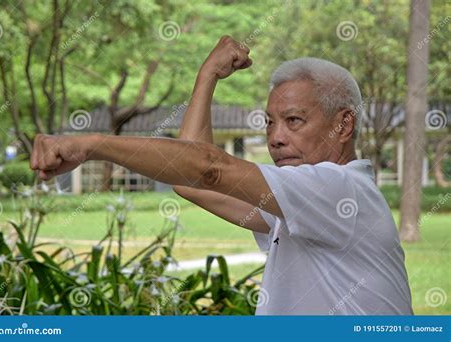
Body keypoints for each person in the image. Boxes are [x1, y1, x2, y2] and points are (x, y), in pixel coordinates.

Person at [30, 36, 413, 315]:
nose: (276, 138)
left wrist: (90, 145)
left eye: (294, 121)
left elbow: (208, 169)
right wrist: (208, 75)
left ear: (343, 125)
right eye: (270, 123)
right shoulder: (301, 204)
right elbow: (189, 180)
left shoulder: (338, 189)